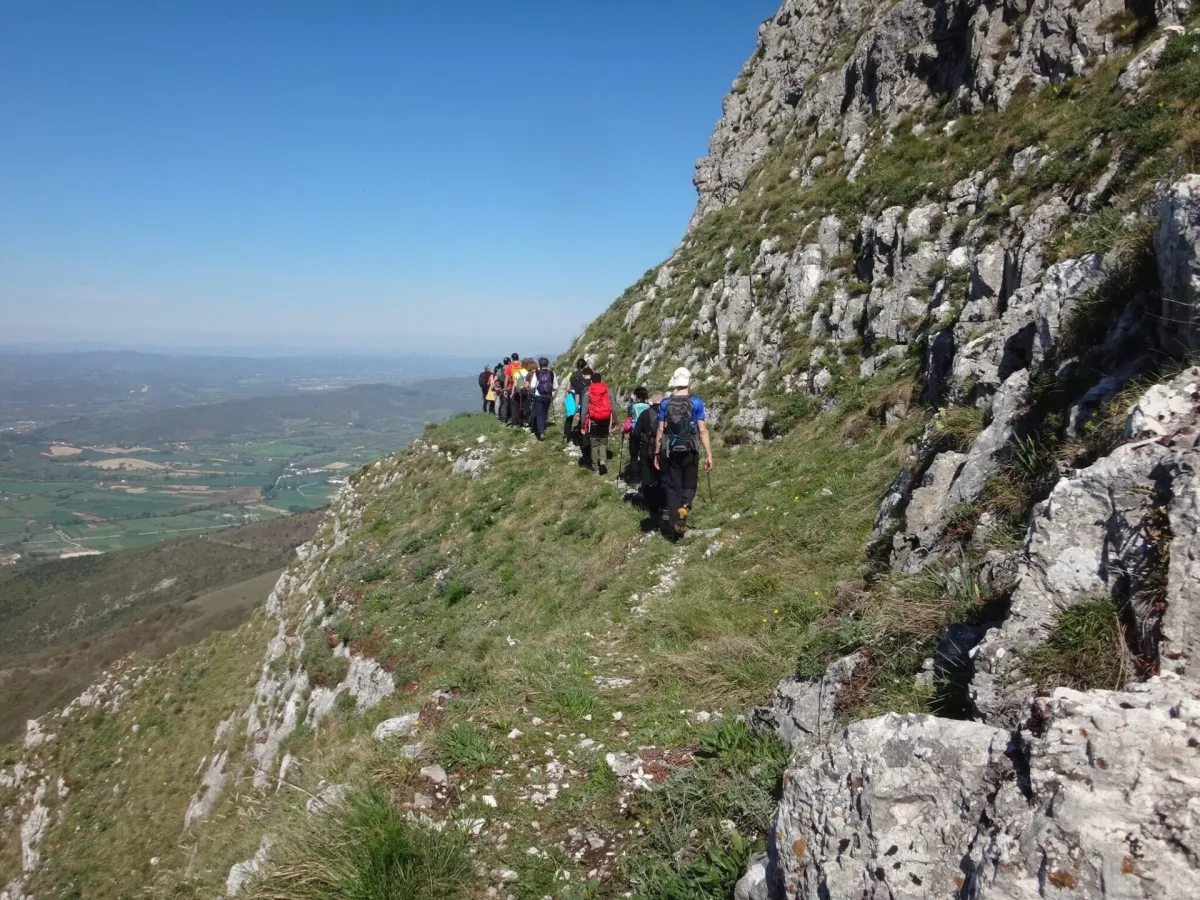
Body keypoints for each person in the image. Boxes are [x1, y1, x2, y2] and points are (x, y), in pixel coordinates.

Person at [654, 367, 713, 537]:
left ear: (674, 381)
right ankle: (685, 506)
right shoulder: (696, 402)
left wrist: (657, 453)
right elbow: (702, 430)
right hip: (690, 450)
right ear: (689, 381)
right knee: (690, 484)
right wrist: (709, 454)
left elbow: (660, 431)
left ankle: (674, 526)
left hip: (671, 451)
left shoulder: (665, 403)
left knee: (673, 487)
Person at [632, 390, 663, 519]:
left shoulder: (645, 413)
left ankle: (649, 505)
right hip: (662, 451)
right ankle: (662, 503)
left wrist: (634, 452)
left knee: (647, 477)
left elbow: (636, 433)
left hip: (646, 449)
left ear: (651, 400)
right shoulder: (667, 413)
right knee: (660, 476)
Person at [580, 370, 615, 475]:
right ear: (601, 380)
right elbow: (613, 408)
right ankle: (603, 462)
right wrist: (615, 421)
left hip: (593, 421)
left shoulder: (588, 392)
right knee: (603, 443)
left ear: (591, 381)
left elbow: (584, 410)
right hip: (605, 420)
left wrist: (582, 423)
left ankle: (595, 467)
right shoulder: (608, 391)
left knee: (594, 445)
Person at [529, 357, 554, 439]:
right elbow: (555, 386)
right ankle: (543, 427)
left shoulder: (537, 373)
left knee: (539, 413)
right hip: (548, 396)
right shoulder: (551, 373)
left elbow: (532, 385)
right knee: (545, 413)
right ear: (547, 364)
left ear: (539, 364)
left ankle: (541, 431)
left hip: (539, 396)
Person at [496, 357, 512, 422]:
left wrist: (499, 388)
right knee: (511, 404)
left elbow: (496, 379)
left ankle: (503, 418)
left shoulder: (499, 370)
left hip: (502, 389)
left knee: (503, 404)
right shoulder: (511, 369)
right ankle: (510, 418)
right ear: (509, 362)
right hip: (510, 388)